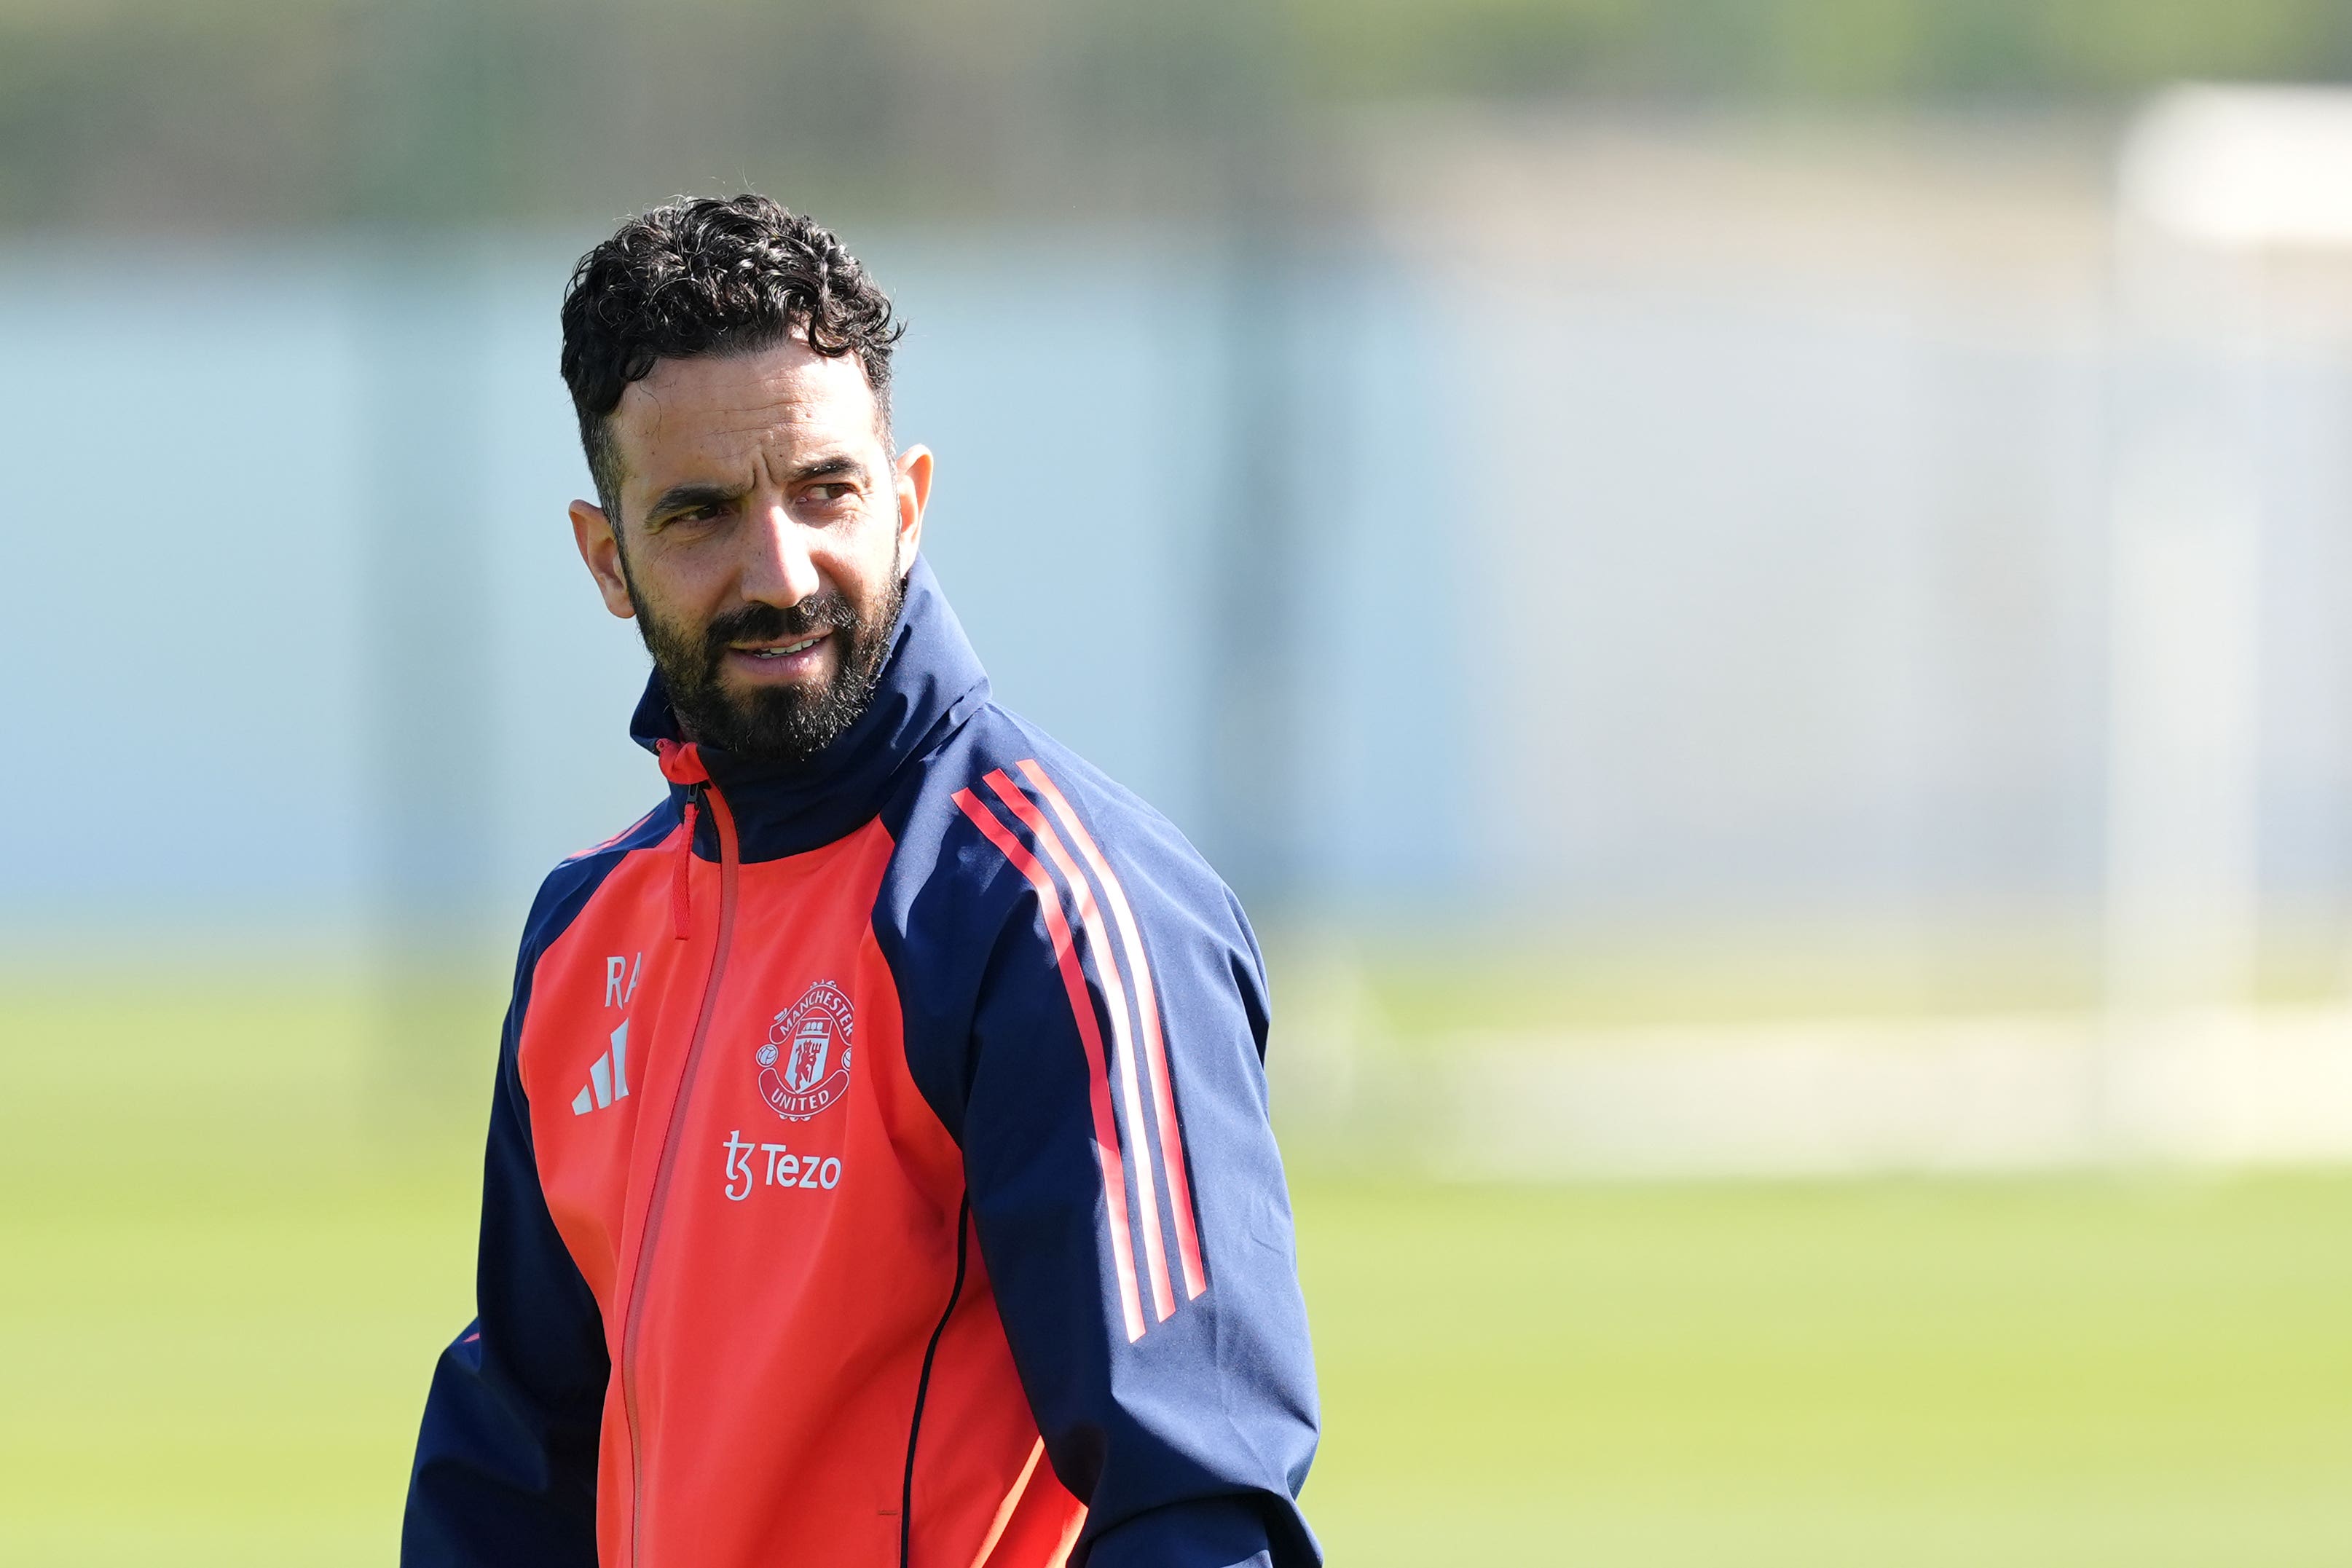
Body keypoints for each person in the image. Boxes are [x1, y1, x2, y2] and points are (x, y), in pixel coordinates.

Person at [400, 194, 1321, 1568]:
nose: (780, 571)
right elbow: (521, 1457)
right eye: (701, 515)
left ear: (906, 499)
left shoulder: (1047, 908)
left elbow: (1193, 1498)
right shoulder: (585, 933)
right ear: (608, 558)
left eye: (822, 491)